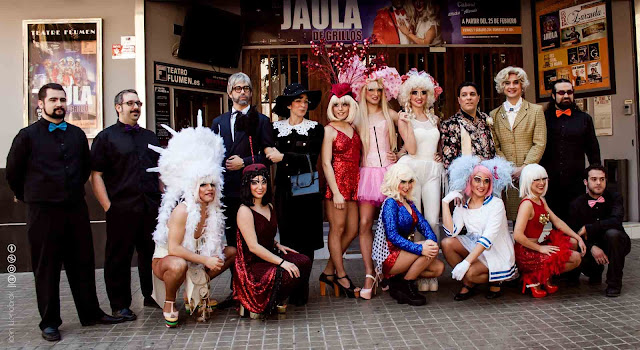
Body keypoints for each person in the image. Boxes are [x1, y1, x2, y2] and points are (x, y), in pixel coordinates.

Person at [6, 83, 123, 341]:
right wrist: (29, 196)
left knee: (82, 263)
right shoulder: (26, 136)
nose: (59, 104)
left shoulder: (76, 135)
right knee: (46, 267)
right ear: (41, 104)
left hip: (75, 208)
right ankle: (49, 322)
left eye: (62, 99)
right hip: (43, 211)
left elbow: (84, 169)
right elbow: (13, 171)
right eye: (53, 100)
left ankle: (90, 313)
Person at [149, 114, 235, 327]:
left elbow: (212, 247)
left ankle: (193, 293)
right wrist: (205, 261)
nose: (209, 189)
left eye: (212, 185)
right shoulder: (182, 210)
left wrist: (210, 256)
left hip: (194, 260)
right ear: (193, 187)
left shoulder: (213, 210)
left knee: (230, 252)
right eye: (203, 185)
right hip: (168, 259)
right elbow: (174, 249)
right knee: (178, 265)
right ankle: (170, 302)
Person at [90, 89, 161, 321]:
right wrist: (108, 206)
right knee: (118, 257)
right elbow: (96, 175)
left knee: (151, 254)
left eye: (138, 102)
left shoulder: (150, 137)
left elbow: (159, 171)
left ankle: (152, 295)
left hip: (150, 207)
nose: (136, 107)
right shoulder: (106, 138)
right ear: (118, 107)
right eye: (130, 103)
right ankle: (120, 304)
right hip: (121, 208)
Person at [267, 83, 324, 306]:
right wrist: (269, 152)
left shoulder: (315, 128)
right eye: (298, 101)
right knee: (288, 237)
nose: (303, 105)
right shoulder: (275, 128)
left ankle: (302, 291)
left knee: (306, 239)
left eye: (305, 101)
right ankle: (289, 284)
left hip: (307, 188)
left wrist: (284, 157)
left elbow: (312, 157)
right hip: (283, 188)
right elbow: (266, 149)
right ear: (289, 104)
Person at [234, 164, 312, 317]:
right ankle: (265, 302)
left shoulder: (269, 205)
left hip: (268, 255)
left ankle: (275, 298)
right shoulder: (244, 210)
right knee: (285, 271)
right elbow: (254, 247)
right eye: (254, 182)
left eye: (263, 182)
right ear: (246, 184)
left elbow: (264, 233)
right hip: (252, 265)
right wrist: (283, 262)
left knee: (303, 261)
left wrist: (276, 244)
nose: (260, 187)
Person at [351, 66, 402, 299]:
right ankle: (370, 272)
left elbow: (414, 136)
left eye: (379, 90)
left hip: (389, 173)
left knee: (392, 224)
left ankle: (389, 270)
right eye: (370, 89)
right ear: (363, 92)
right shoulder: (355, 116)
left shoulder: (391, 114)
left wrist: (400, 154)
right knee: (364, 223)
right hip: (367, 174)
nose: (374, 93)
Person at [211, 72, 275, 249]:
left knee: (255, 238)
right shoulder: (218, 122)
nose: (242, 92)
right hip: (227, 190)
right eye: (238, 88)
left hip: (253, 189)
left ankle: (255, 275)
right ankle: (236, 277)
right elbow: (211, 156)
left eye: (246, 88)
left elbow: (268, 157)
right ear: (230, 93)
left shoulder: (262, 121)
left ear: (251, 93)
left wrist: (245, 162)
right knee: (232, 239)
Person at [440, 156, 517, 300]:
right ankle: (470, 279)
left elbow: (488, 238)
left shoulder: (496, 204)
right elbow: (451, 232)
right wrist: (445, 203)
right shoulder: (463, 204)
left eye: (486, 181)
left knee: (469, 272)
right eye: (477, 179)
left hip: (495, 250)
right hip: (475, 247)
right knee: (447, 243)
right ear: (469, 181)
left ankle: (488, 279)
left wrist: (466, 263)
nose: (482, 185)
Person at [396, 69, 444, 291]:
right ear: (408, 94)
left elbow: (435, 145)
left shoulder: (435, 119)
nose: (418, 96)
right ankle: (418, 271)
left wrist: (440, 155)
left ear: (429, 95)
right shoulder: (403, 116)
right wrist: (405, 125)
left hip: (433, 170)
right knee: (415, 220)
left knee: (432, 220)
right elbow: (412, 149)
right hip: (413, 170)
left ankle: (430, 269)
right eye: (414, 92)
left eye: (423, 92)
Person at [372, 163, 445, 306]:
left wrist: (432, 241)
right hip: (391, 256)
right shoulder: (390, 204)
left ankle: (397, 281)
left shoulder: (409, 203)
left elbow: (424, 226)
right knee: (426, 248)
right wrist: (421, 249)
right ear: (394, 181)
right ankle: (406, 286)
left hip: (404, 253)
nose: (407, 186)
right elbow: (392, 236)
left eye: (410, 181)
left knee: (439, 268)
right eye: (403, 182)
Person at [513, 164, 586, 298]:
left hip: (536, 247)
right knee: (576, 258)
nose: (541, 183)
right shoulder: (527, 204)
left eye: (544, 179)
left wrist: (579, 237)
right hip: (526, 252)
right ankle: (533, 277)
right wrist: (540, 249)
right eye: (537, 180)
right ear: (528, 181)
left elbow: (557, 221)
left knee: (573, 242)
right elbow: (517, 235)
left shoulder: (540, 199)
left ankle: (542, 276)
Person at [319, 83, 362, 299]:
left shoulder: (354, 128)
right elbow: (326, 163)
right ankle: (341, 274)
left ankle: (328, 271)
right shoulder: (329, 130)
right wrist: (335, 192)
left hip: (353, 186)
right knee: (337, 229)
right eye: (336, 105)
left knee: (352, 229)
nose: (340, 109)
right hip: (336, 186)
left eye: (344, 105)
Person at [490, 67, 547, 221]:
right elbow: (495, 146)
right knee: (511, 216)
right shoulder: (494, 115)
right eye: (507, 83)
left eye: (516, 82)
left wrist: (524, 167)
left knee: (531, 217)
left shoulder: (536, 111)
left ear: (522, 85)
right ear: (502, 87)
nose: (512, 86)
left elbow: (539, 143)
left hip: (530, 173)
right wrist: (509, 168)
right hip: (507, 175)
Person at [540, 79, 600, 222]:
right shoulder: (543, 118)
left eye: (569, 92)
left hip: (576, 182)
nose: (566, 95)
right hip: (550, 182)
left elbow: (593, 150)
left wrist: (594, 177)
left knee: (576, 221)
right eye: (561, 92)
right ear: (553, 95)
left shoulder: (584, 119)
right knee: (555, 223)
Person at [569, 164, 631, 297]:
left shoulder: (615, 197)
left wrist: (589, 228)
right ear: (586, 182)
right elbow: (575, 232)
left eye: (602, 179)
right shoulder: (577, 204)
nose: (598, 183)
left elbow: (616, 221)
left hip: (615, 244)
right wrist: (592, 248)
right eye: (594, 179)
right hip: (589, 247)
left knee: (613, 234)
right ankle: (592, 272)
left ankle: (614, 283)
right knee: (573, 241)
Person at [440, 82, 496, 170]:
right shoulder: (450, 124)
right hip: (465, 176)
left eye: (472, 94)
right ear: (459, 100)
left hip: (488, 175)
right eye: (464, 95)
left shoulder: (486, 119)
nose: (468, 98)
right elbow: (449, 161)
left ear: (478, 98)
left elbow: (493, 150)